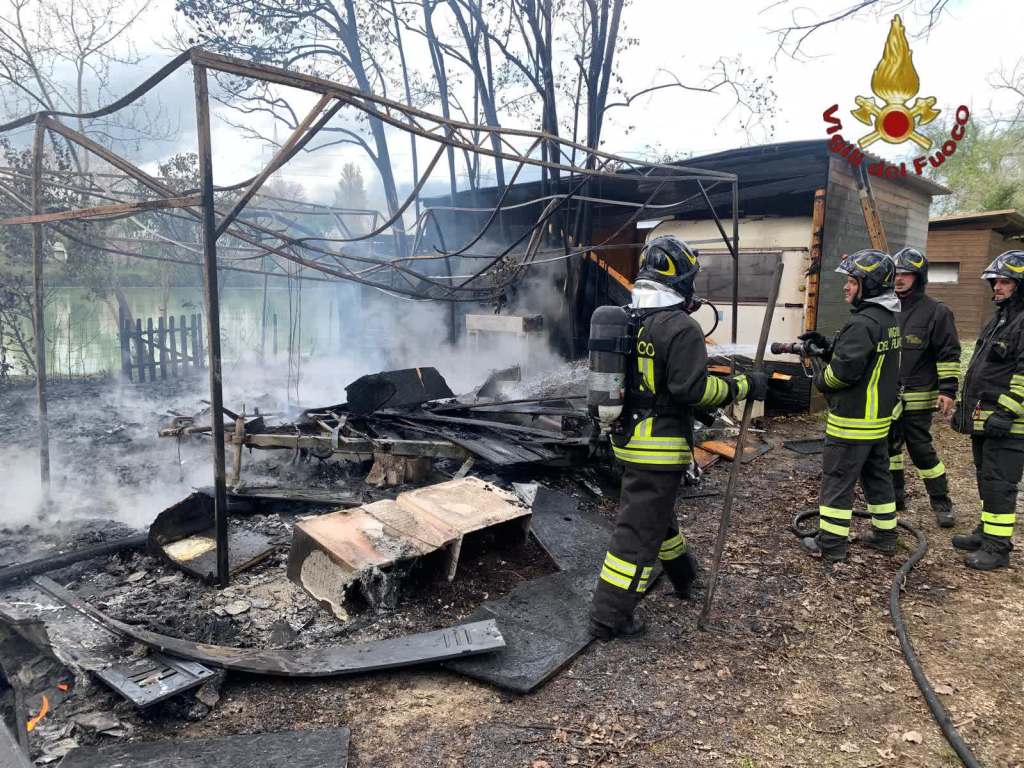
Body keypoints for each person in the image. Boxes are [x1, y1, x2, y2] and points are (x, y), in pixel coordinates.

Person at [588, 235, 769, 640]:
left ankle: (684, 576)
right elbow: (694, 391)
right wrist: (744, 385)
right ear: (683, 279)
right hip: (659, 448)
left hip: (627, 439)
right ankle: (608, 617)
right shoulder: (681, 327)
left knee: (657, 517)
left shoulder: (629, 318)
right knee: (637, 535)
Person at [799, 249, 901, 562]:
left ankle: (831, 544)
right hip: (877, 422)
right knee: (877, 478)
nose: (846, 286)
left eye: (853, 281)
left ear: (870, 285)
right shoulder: (887, 319)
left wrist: (821, 376)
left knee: (837, 481)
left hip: (852, 421)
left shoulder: (862, 323)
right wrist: (828, 347)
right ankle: (885, 536)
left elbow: (842, 374)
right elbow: (863, 360)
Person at [951, 250, 1024, 570]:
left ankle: (997, 547)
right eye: (995, 281)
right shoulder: (1000, 319)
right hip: (987, 418)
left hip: (1009, 424)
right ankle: (986, 531)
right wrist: (965, 409)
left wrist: (1006, 413)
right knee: (986, 478)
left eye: (1005, 282)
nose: (997, 287)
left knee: (1000, 482)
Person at [887, 247, 961, 527]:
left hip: (918, 397)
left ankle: (941, 501)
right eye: (896, 273)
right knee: (889, 447)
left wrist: (948, 390)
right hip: (887, 396)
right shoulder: (886, 308)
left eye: (907, 274)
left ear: (919, 277)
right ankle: (895, 495)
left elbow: (949, 353)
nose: (899, 279)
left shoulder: (937, 312)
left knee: (921, 449)